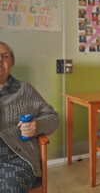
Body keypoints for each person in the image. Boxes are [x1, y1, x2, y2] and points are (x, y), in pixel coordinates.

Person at [0, 42, 60, 192]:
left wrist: (37, 125)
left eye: (5, 56)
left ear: (11, 63)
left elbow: (53, 118)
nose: (0, 60)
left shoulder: (24, 89)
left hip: (15, 161)